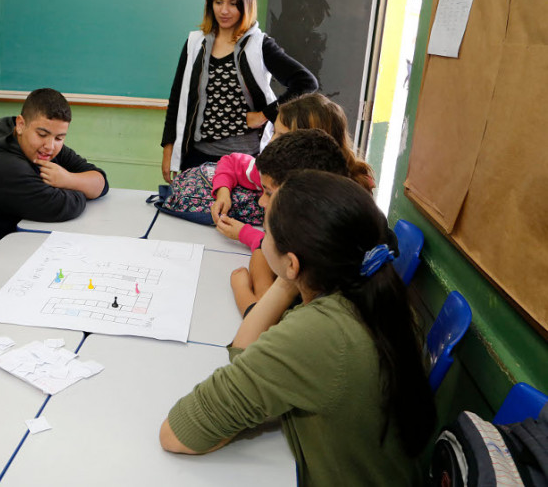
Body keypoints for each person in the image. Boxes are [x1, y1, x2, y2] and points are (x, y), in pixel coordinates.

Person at [160, 171, 436, 486]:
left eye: (265, 231)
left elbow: (178, 433)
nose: (262, 238)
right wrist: (291, 280)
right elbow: (245, 354)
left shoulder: (318, 333)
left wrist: (290, 278)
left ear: (292, 262)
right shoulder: (378, 296)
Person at [160, 0, 317, 182]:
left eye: (233, 4)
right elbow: (178, 98)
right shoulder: (195, 43)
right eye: (218, 2)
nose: (224, 10)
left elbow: (306, 82)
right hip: (196, 157)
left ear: (246, 5)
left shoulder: (259, 45)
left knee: (231, 215)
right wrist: (169, 149)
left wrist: (265, 114)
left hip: (242, 161)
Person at [211, 93, 374, 251]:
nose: (271, 142)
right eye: (273, 132)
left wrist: (246, 234)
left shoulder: (332, 201)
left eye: (281, 135)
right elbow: (231, 162)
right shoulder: (274, 169)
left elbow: (301, 254)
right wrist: (223, 192)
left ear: (310, 144)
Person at [0, 88, 108, 260]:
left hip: (23, 243)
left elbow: (101, 181)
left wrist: (67, 179)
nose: (50, 146)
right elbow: (65, 206)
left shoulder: (39, 143)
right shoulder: (2, 165)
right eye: (42, 134)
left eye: (59, 138)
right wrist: (81, 185)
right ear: (20, 124)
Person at [219, 129, 352, 315]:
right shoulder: (312, 229)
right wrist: (264, 292)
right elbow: (264, 248)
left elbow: (263, 329)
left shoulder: (318, 269)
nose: (261, 202)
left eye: (269, 193)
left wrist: (243, 291)